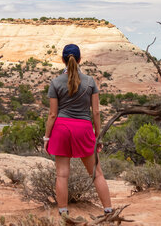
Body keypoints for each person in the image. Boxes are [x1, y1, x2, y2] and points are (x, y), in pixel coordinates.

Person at [44, 44, 112, 217]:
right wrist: (98, 135)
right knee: (97, 174)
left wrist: (46, 138)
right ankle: (108, 210)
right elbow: (96, 112)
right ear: (80, 59)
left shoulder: (55, 82)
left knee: (62, 175)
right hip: (83, 129)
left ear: (63, 60)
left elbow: (52, 114)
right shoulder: (90, 82)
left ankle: (63, 213)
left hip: (62, 129)